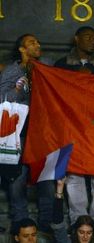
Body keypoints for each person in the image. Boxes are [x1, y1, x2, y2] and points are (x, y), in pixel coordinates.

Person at [54, 26, 94, 234]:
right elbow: (57, 94)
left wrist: (92, 81)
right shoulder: (61, 65)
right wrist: (77, 79)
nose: (92, 41)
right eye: (88, 37)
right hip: (71, 127)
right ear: (76, 39)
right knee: (74, 175)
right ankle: (79, 220)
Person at [0, 33, 55, 233]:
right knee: (17, 178)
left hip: (44, 132)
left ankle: (46, 220)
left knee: (47, 178)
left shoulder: (48, 64)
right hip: (19, 133)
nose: (37, 44)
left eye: (38, 42)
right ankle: (20, 219)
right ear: (22, 49)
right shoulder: (12, 71)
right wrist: (21, 86)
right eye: (32, 43)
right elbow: (4, 99)